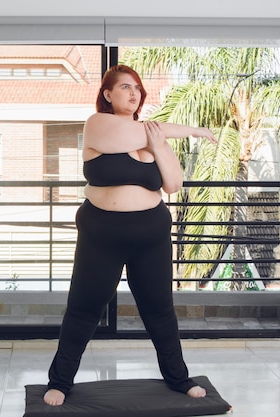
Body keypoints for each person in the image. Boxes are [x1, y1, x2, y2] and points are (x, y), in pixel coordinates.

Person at [43, 65, 217, 406]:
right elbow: (133, 137)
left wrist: (160, 143)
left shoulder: (150, 136)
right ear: (108, 94)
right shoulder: (99, 125)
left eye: (137, 87)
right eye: (125, 87)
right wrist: (189, 130)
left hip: (151, 235)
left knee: (160, 311)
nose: (134, 93)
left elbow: (173, 183)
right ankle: (60, 382)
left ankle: (178, 378)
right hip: (102, 234)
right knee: (83, 309)